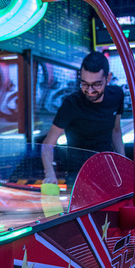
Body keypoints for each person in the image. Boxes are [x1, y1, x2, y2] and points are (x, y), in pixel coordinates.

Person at [42, 51, 125, 184]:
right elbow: (47, 144)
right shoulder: (71, 104)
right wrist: (50, 174)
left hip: (107, 169)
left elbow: (116, 130)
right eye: (85, 84)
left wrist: (122, 163)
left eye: (96, 84)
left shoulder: (117, 95)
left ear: (108, 78)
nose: (90, 91)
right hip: (78, 175)